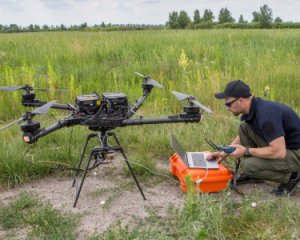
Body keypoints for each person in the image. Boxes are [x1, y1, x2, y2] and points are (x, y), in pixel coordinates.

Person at [209, 80, 300, 196]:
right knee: (244, 127)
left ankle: (293, 176)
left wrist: (246, 150)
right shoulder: (253, 107)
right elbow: (245, 134)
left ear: (241, 100)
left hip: (295, 152)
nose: (227, 108)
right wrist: (223, 153)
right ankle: (253, 173)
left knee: (247, 165)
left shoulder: (266, 116)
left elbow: (279, 152)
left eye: (228, 104)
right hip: (285, 146)